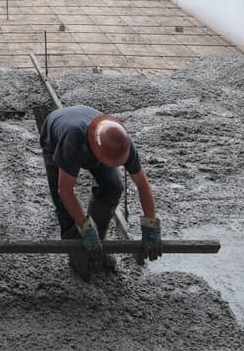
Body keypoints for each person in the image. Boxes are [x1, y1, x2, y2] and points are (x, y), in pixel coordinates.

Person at [40, 106, 163, 280]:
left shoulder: (122, 142)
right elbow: (65, 190)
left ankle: (99, 242)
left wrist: (151, 226)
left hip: (94, 138)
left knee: (113, 186)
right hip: (56, 135)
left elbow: (142, 184)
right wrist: (84, 227)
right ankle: (76, 248)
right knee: (62, 203)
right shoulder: (72, 141)